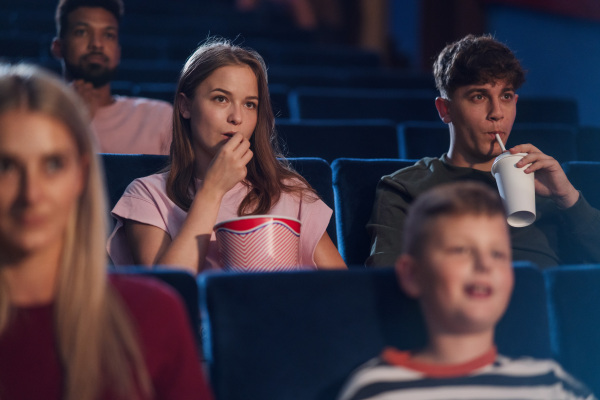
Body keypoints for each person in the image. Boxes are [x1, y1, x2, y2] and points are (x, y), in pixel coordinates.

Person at [0, 63, 213, 399]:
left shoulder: (154, 314)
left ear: (81, 175)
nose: (31, 193)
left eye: (53, 164)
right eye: (6, 165)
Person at [107, 39, 347, 273]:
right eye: (221, 99)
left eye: (249, 104)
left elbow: (346, 292)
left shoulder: (288, 191)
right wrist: (212, 190)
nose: (237, 118)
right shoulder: (147, 195)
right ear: (185, 106)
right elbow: (170, 291)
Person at [339, 181, 596, 400]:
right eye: (461, 250)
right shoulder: (376, 390)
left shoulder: (551, 385)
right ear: (412, 274)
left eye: (497, 254)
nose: (484, 265)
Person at [366, 34, 600, 268]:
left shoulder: (543, 185)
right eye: (479, 96)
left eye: (506, 96)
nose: (497, 112)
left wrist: (568, 198)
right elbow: (387, 282)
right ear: (445, 109)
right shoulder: (405, 188)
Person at [50, 0, 172, 155]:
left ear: (118, 52)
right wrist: (74, 119)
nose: (97, 44)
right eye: (81, 32)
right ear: (58, 47)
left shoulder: (158, 117)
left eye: (108, 35)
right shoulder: (38, 117)